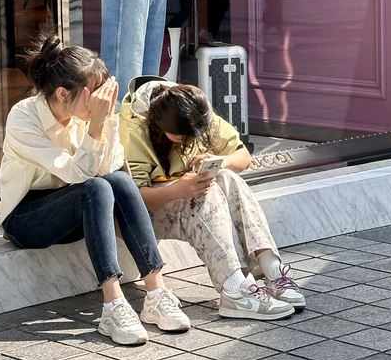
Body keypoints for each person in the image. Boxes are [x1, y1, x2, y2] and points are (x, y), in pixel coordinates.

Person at [0, 34, 191, 345]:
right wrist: (97, 125)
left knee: (118, 181)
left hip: (76, 208)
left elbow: (110, 169)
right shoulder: (23, 118)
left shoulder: (84, 115)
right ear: (63, 93)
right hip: (26, 219)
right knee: (96, 188)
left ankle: (156, 293)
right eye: (96, 93)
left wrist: (105, 122)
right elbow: (78, 174)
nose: (102, 100)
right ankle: (113, 305)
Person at [119, 78, 306, 320]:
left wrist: (221, 162)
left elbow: (243, 156)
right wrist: (179, 189)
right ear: (163, 125)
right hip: (144, 214)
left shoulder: (192, 109)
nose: (190, 141)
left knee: (227, 177)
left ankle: (273, 269)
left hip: (184, 195)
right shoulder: (132, 129)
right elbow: (133, 200)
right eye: (183, 138)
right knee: (208, 194)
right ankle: (234, 289)